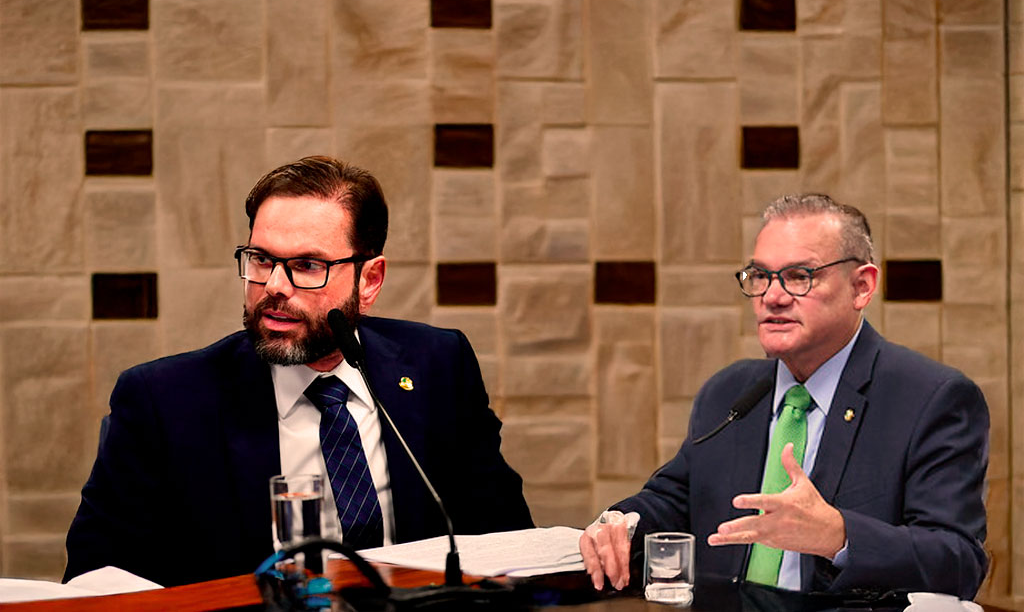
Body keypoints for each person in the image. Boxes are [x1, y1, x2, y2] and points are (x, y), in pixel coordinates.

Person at [65, 156, 533, 587]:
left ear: (369, 281)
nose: (273, 287)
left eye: (307, 266)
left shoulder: (437, 365)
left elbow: (507, 540)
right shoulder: (162, 402)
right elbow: (97, 578)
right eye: (262, 259)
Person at [580, 194, 989, 599]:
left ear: (861, 287)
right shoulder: (730, 392)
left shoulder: (931, 399)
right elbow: (673, 500)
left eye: (798, 276)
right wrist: (621, 522)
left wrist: (839, 536)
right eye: (760, 276)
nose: (772, 296)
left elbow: (958, 561)